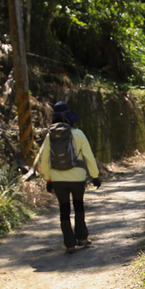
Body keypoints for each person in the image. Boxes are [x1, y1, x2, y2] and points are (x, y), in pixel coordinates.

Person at [39, 101, 101, 254]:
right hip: (77, 178)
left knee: (64, 210)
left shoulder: (50, 136)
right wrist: (95, 176)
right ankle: (82, 238)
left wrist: (48, 179)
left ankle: (69, 244)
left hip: (57, 179)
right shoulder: (79, 134)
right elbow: (89, 157)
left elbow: (44, 160)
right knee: (79, 205)